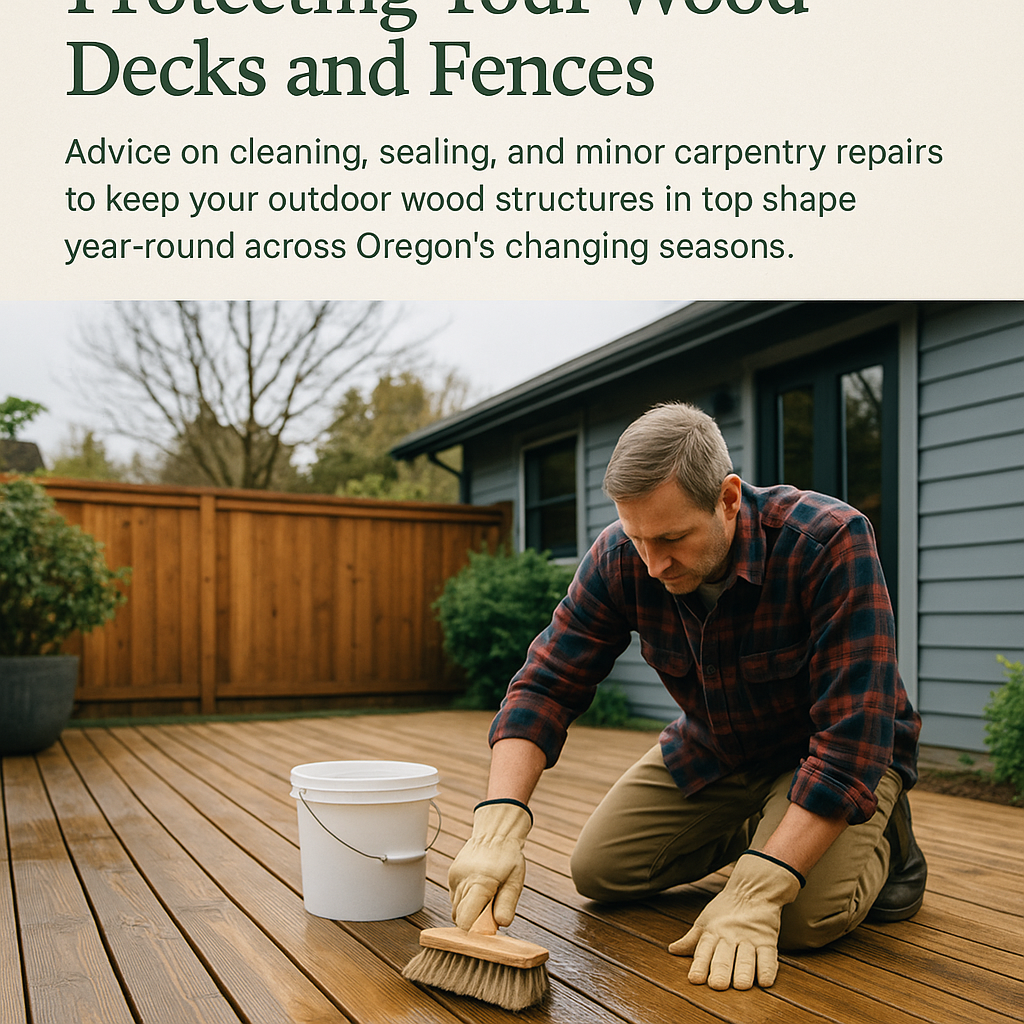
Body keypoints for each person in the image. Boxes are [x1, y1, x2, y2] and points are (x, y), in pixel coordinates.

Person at [447, 401, 926, 992]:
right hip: (721, 747)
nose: (653, 563)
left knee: (799, 920)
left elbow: (853, 739)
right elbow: (546, 683)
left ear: (728, 499)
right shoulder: (624, 556)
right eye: (637, 537)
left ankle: (886, 835)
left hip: (837, 758)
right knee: (602, 871)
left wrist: (756, 886)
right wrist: (498, 824)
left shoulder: (828, 542)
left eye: (672, 538)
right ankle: (772, 829)